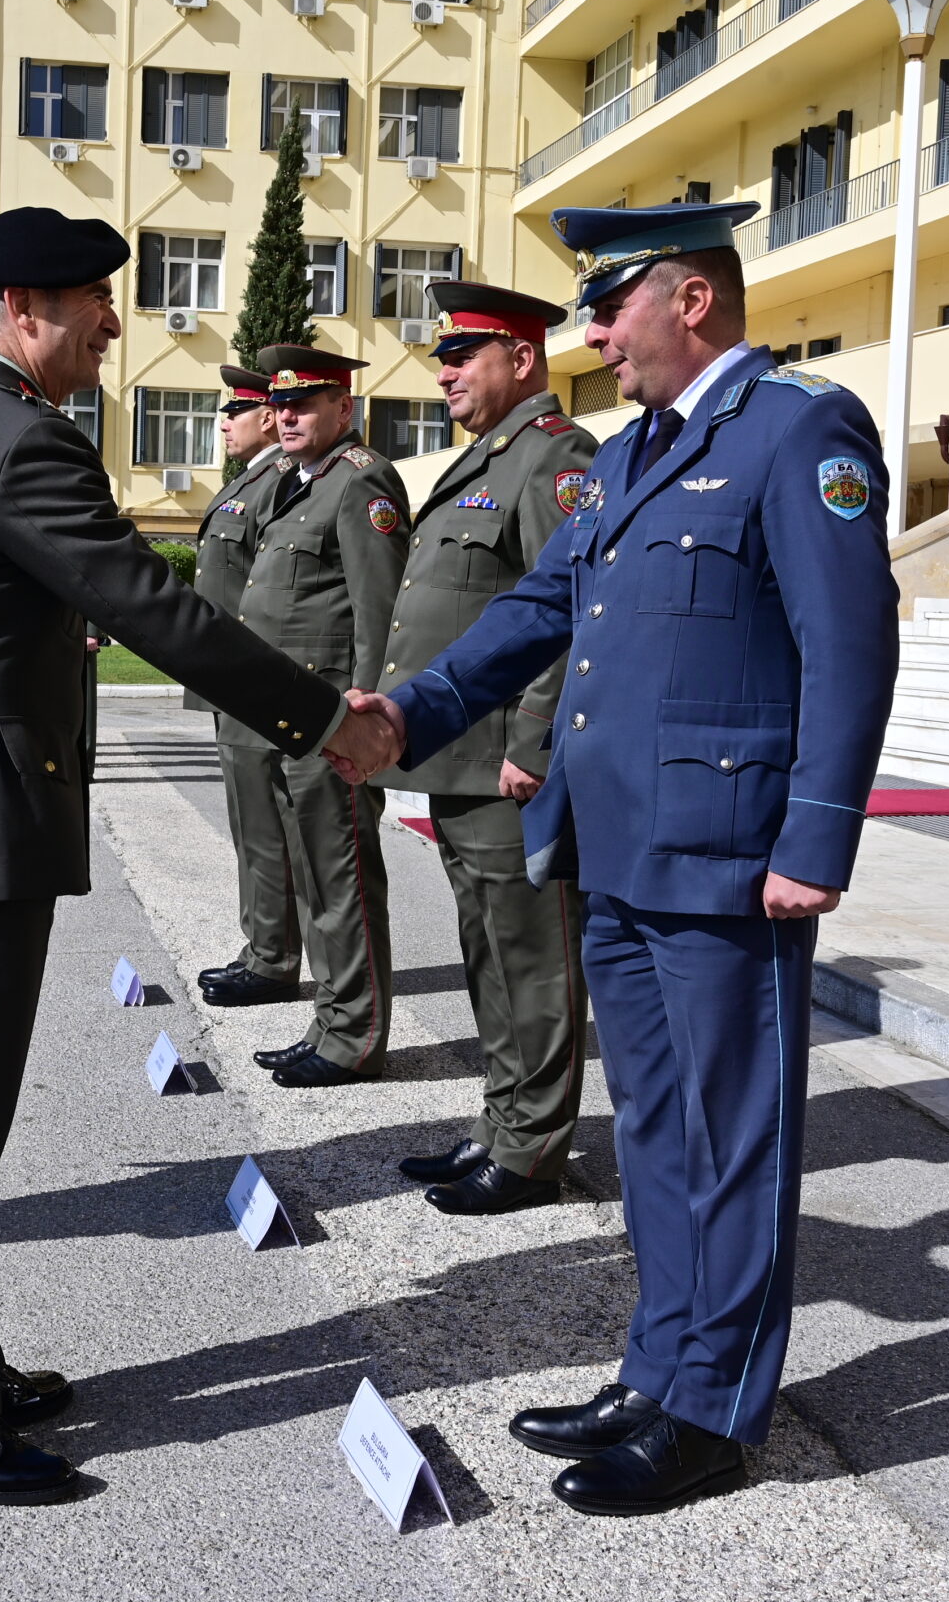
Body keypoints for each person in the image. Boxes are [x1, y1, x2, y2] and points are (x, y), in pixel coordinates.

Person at [341, 201, 899, 1516]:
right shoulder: (637, 451)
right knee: (652, 1130)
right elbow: (541, 608)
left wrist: (816, 836)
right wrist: (410, 713)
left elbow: (851, 642)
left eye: (611, 305)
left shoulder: (798, 428)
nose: (593, 333)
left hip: (730, 856)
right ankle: (658, 1368)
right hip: (619, 850)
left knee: (732, 1137)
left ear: (690, 299)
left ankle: (714, 1411)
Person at [0, 207, 397, 1507]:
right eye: (93, 298)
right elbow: (153, 608)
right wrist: (326, 716)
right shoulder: (22, 443)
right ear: (26, 309)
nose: (112, 322)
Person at [377, 280, 599, 1215]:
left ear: (523, 356)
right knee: (489, 954)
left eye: (465, 355)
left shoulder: (555, 458)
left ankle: (535, 1151)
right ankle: (502, 1122)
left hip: (508, 763)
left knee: (533, 961)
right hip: (460, 760)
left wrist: (535, 742)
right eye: (445, 358)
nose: (446, 373)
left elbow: (571, 609)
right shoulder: (485, 459)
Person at [234, 345, 412, 1089]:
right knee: (313, 878)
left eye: (303, 404)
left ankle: (355, 1037)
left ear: (345, 407)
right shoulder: (293, 483)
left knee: (343, 882)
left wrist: (367, 722)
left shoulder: (361, 479)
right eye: (279, 405)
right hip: (288, 720)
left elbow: (379, 612)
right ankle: (331, 1022)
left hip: (332, 719)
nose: (286, 417)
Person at [189, 365, 302, 1010]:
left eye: (236, 410)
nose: (224, 422)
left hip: (256, 676)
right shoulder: (246, 482)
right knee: (248, 821)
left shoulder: (278, 481)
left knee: (266, 826)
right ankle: (262, 946)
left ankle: (272, 958)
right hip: (230, 678)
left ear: (266, 416)